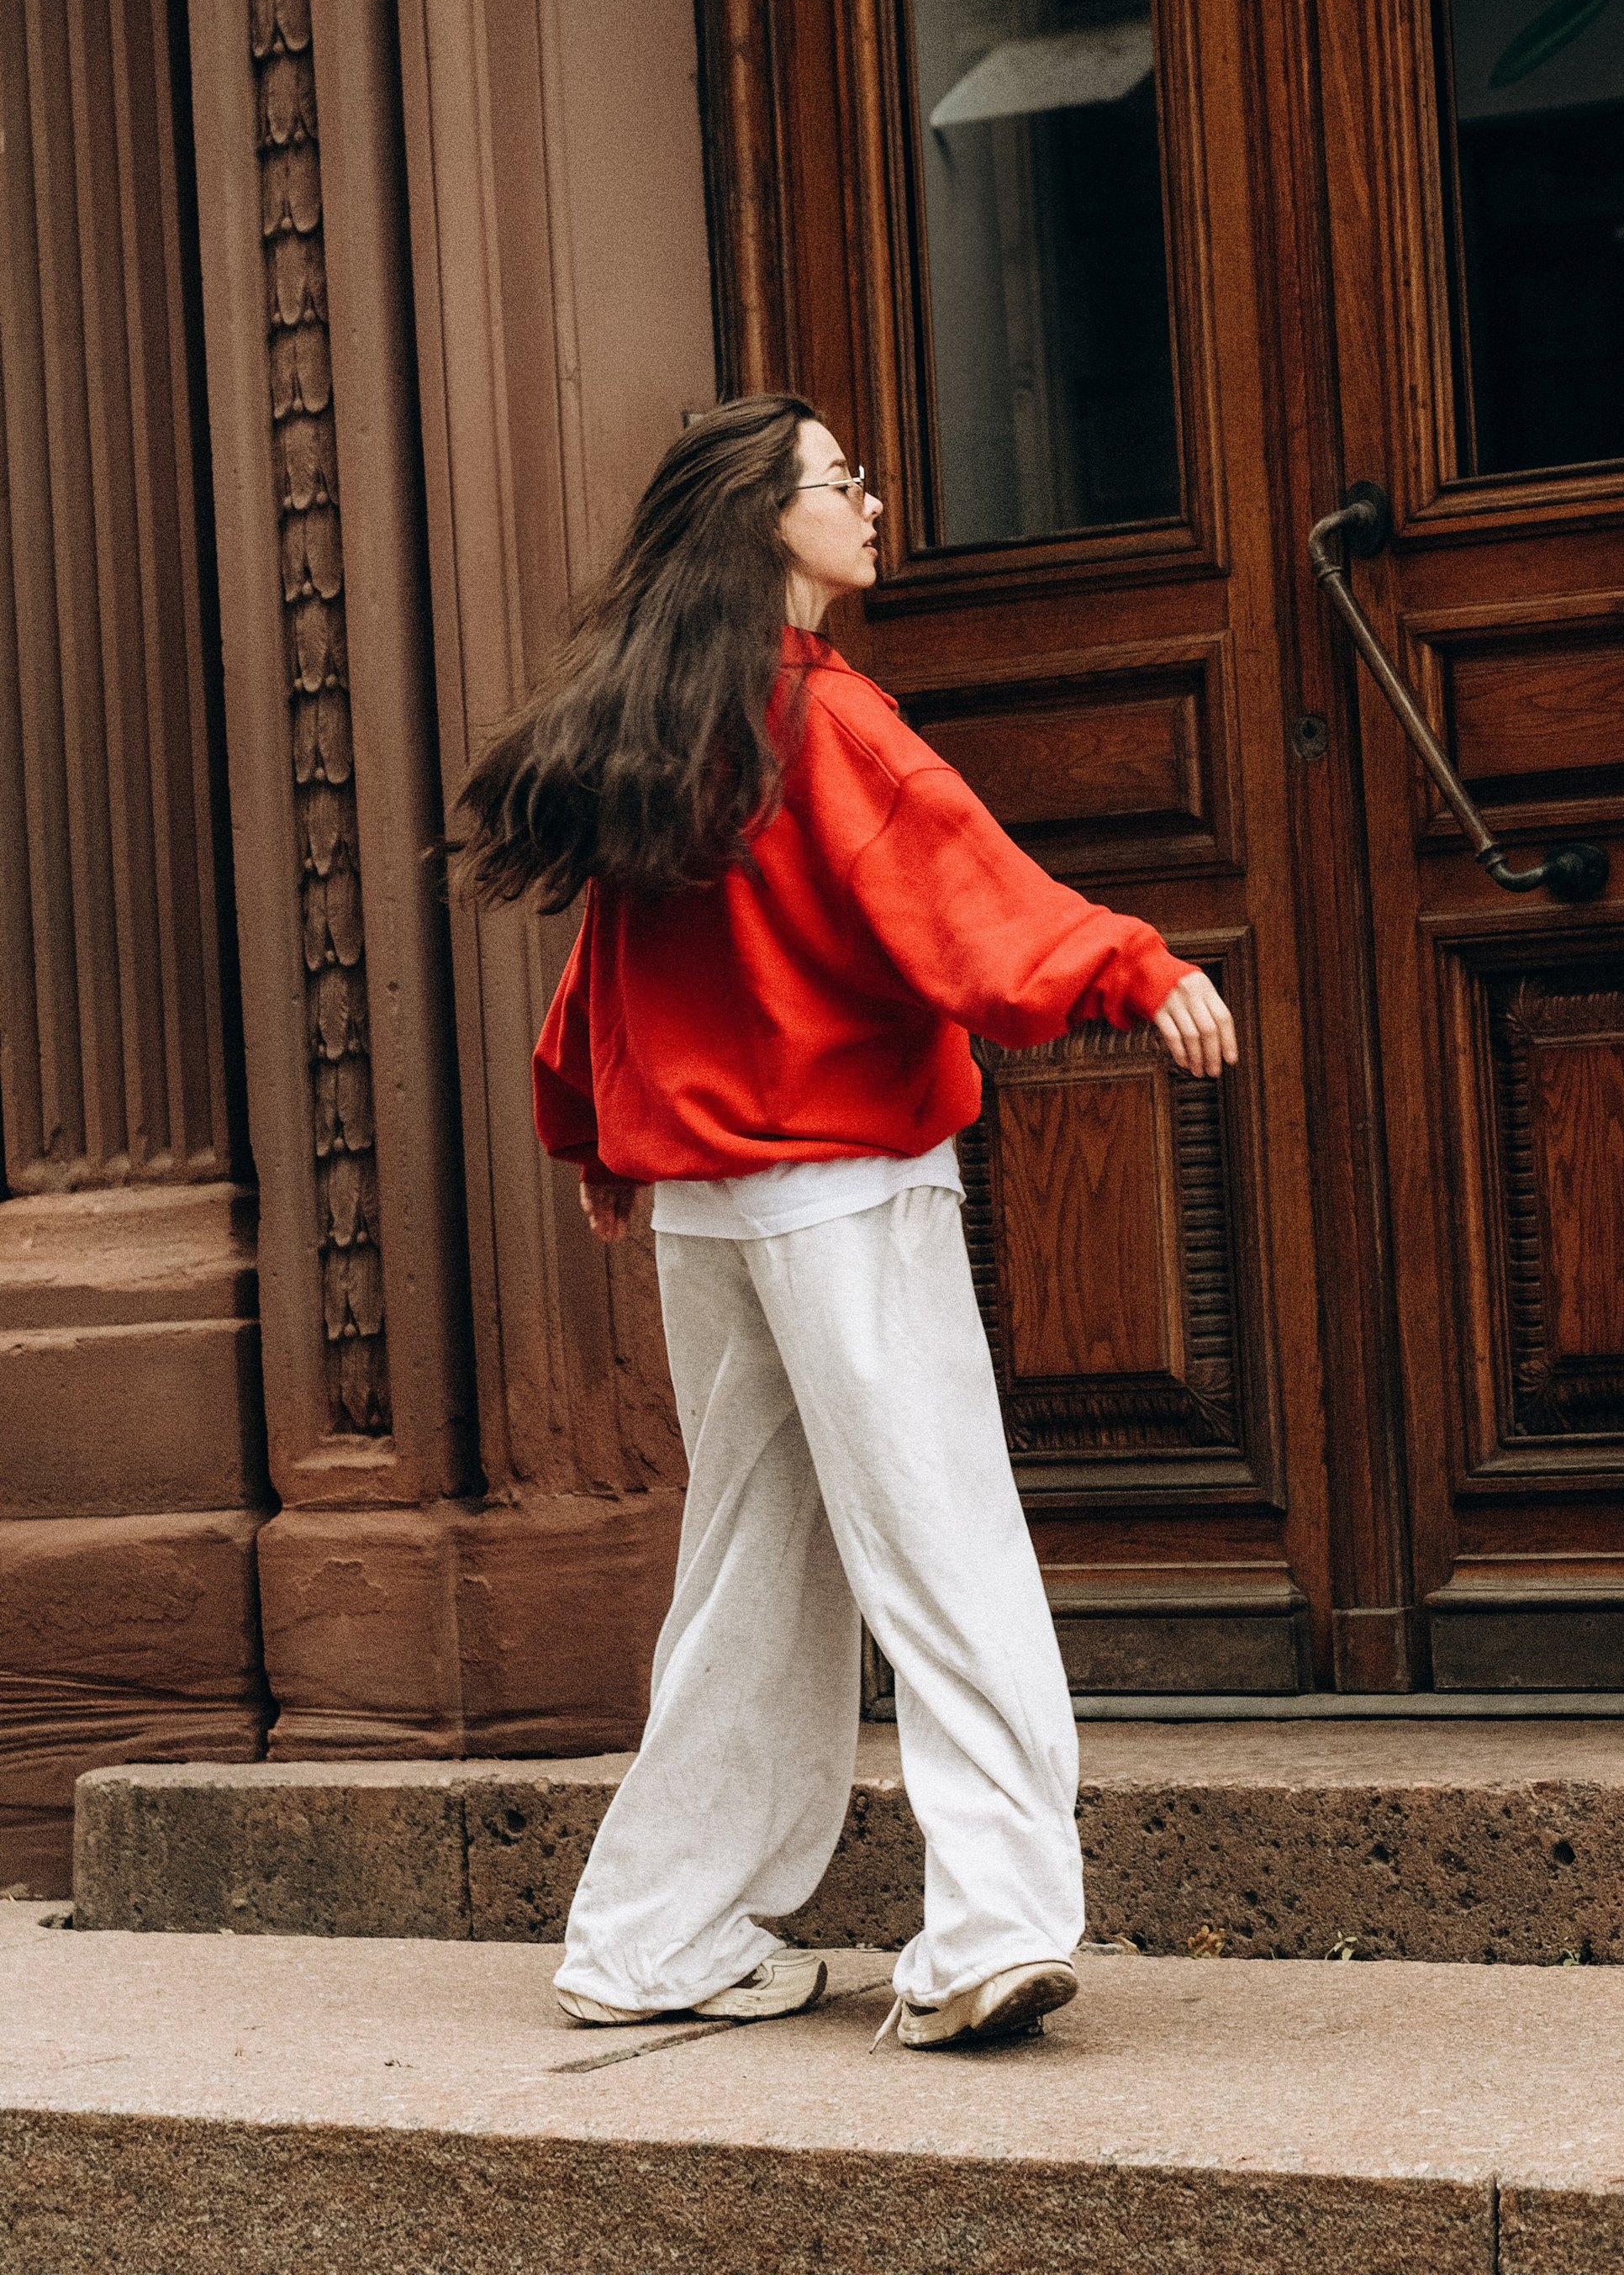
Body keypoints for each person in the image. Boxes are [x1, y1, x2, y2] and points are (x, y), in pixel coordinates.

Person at [452, 393, 1236, 2051]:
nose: (867, 502)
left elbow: (611, 973)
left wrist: (600, 1139)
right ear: (763, 520)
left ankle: (653, 1938)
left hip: (706, 1208)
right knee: (940, 1546)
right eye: (835, 482)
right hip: (838, 1190)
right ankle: (990, 1931)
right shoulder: (821, 718)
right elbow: (969, 901)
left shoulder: (666, 721)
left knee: (748, 1563)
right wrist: (1139, 968)